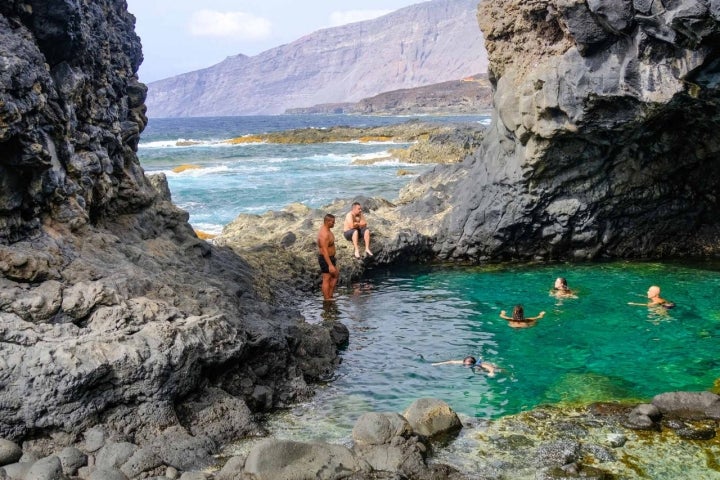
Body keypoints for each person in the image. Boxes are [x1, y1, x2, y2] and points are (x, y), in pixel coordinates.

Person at [317, 213, 339, 301]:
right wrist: (330, 265)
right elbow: (324, 251)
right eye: (333, 222)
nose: (334, 224)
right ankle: (327, 299)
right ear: (327, 222)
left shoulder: (328, 230)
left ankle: (330, 295)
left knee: (336, 274)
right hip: (326, 259)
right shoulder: (324, 234)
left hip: (331, 258)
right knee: (326, 278)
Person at [432, 355, 497, 376]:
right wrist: (437, 364)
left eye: (467, 363)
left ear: (472, 363)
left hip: (490, 366)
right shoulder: (463, 362)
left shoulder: (477, 364)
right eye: (465, 362)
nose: (465, 364)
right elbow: (451, 362)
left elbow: (489, 367)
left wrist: (491, 372)